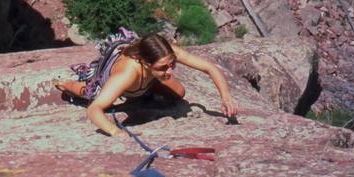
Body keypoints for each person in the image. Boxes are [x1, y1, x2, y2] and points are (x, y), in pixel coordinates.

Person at [55, 33, 238, 137]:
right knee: (90, 94)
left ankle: (145, 90)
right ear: (145, 62)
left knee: (179, 93)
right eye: (163, 67)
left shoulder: (166, 52)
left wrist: (226, 97)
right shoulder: (126, 74)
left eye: (172, 64)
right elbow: (94, 109)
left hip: (143, 78)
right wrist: (116, 132)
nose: (170, 70)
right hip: (117, 72)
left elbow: (210, 68)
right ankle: (65, 83)